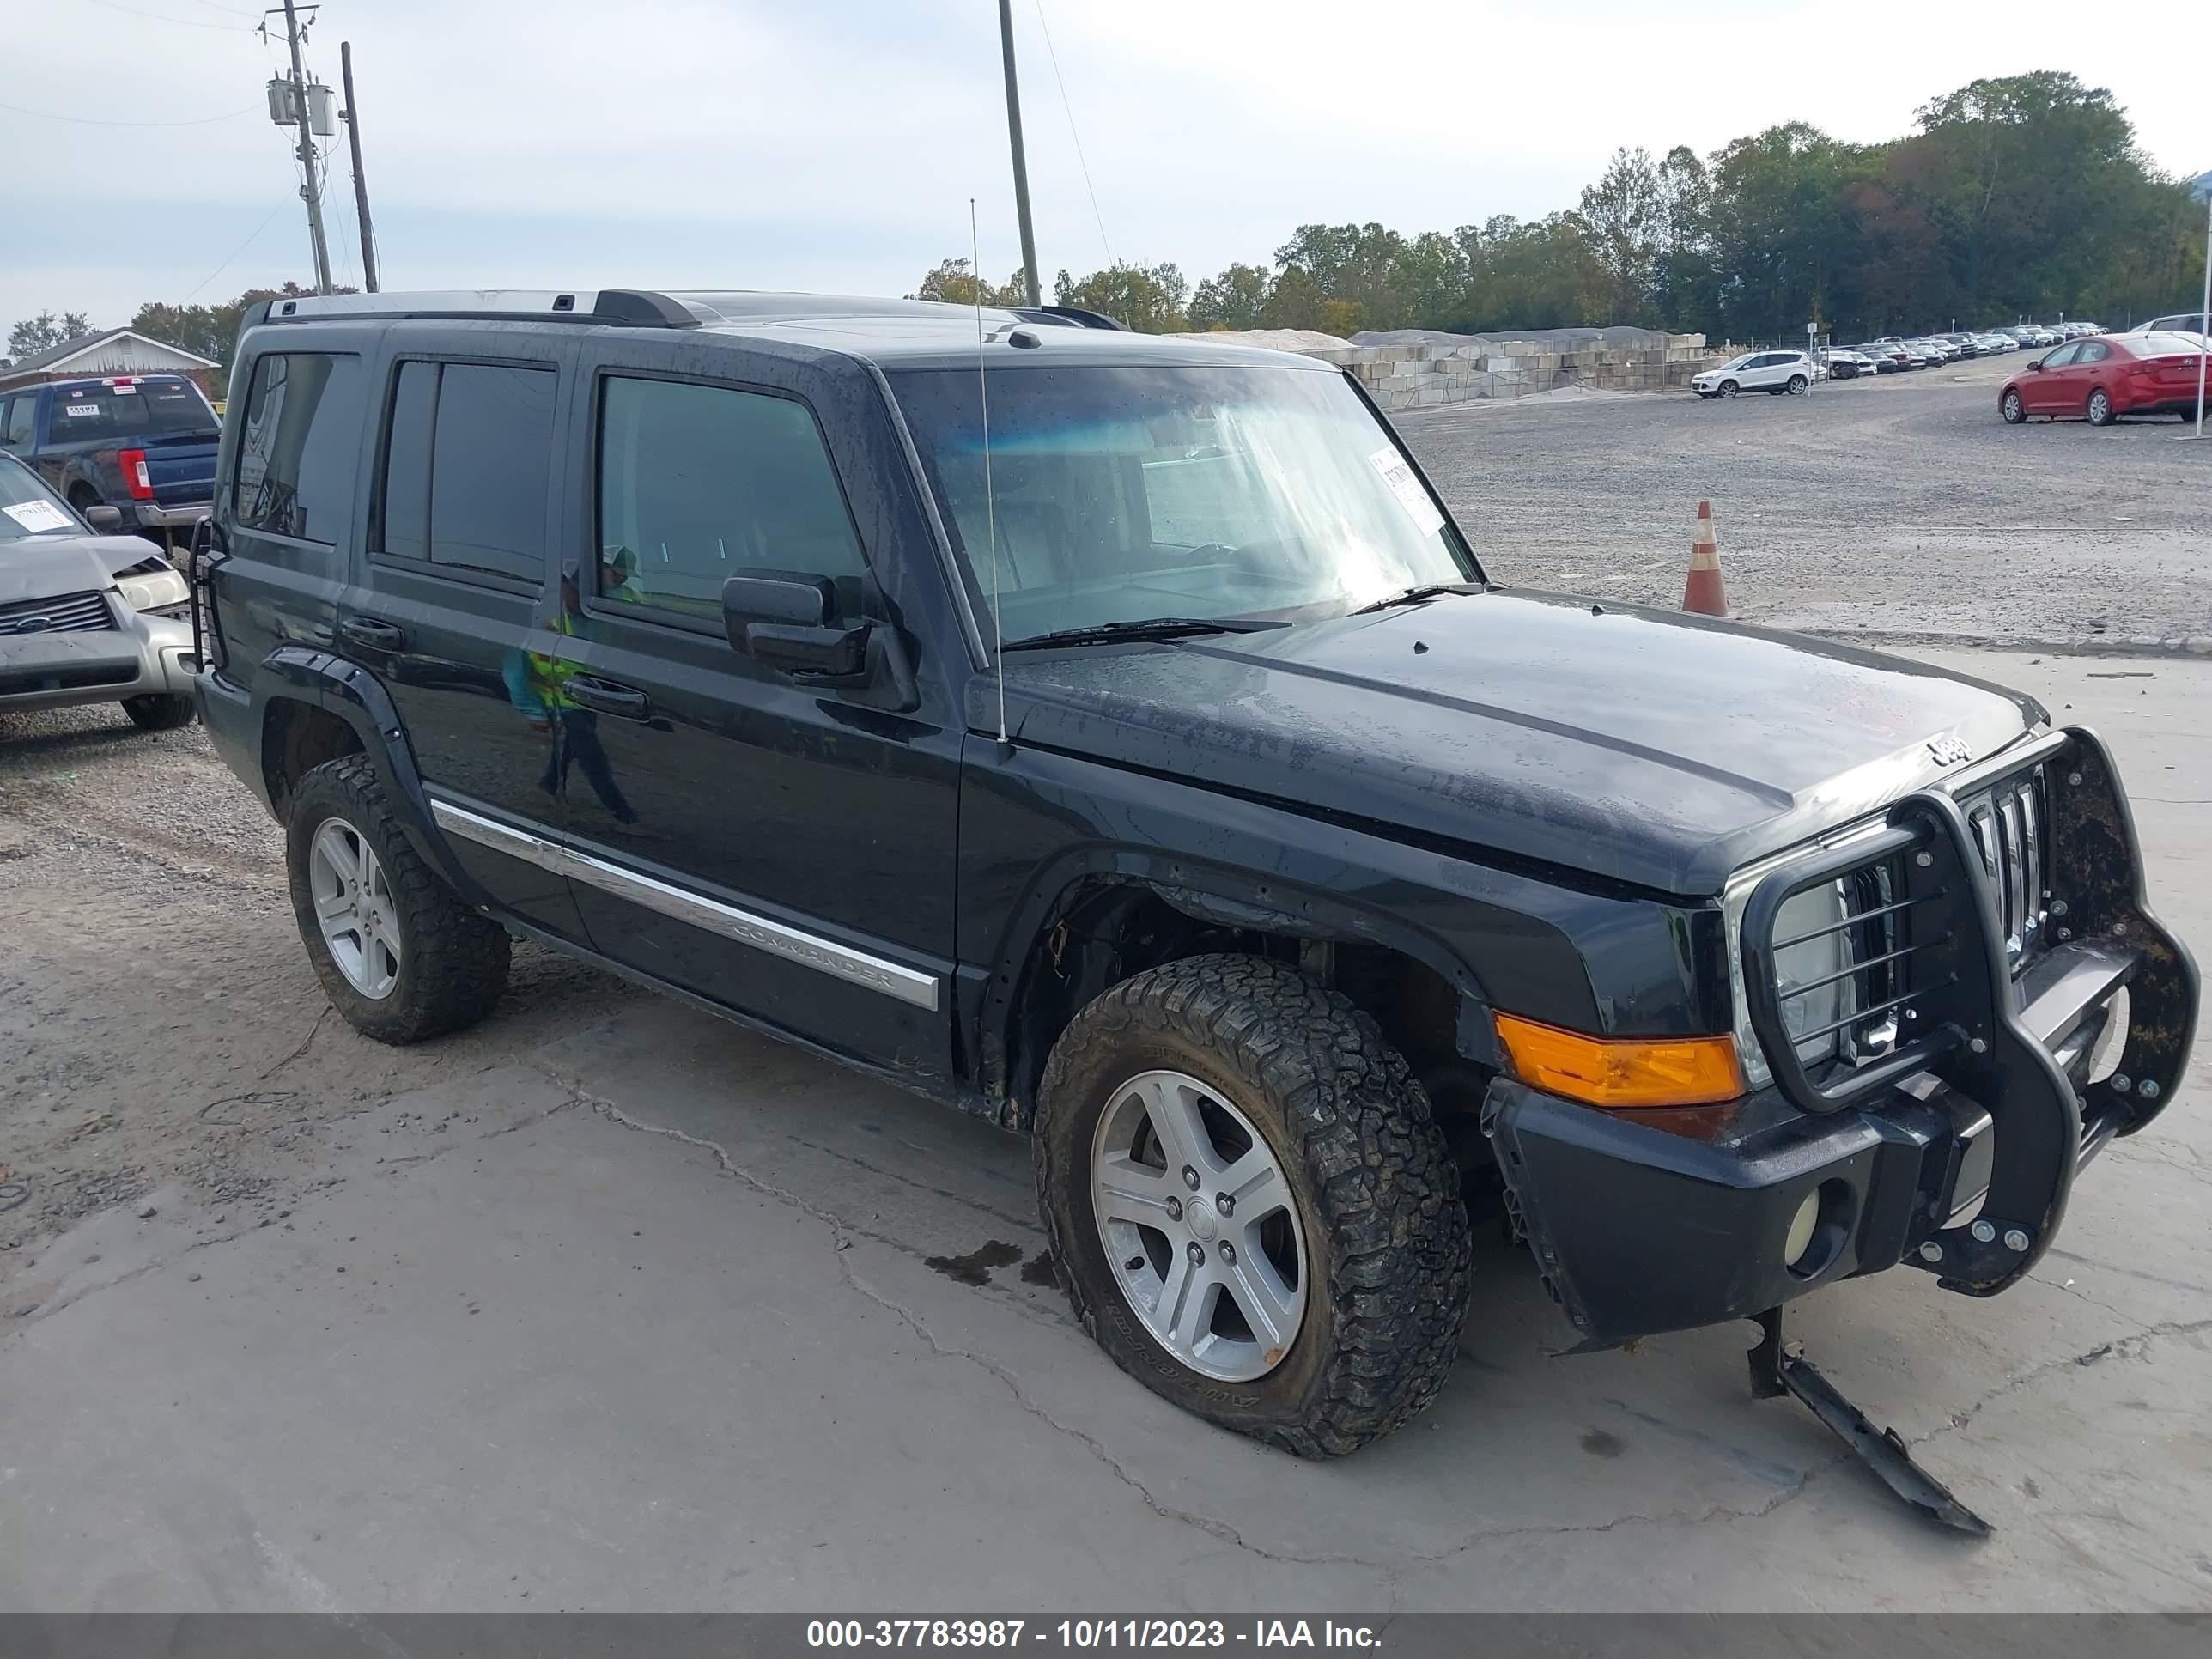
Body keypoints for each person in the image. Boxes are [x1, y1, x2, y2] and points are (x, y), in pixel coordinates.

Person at [501, 558, 637, 825]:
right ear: (563, 585)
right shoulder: (545, 621)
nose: (583, 597)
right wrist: (534, 713)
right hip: (557, 698)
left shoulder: (606, 608)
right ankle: (625, 817)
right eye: (576, 588)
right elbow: (514, 672)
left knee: (573, 745)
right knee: (592, 756)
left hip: (589, 695)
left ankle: (548, 784)